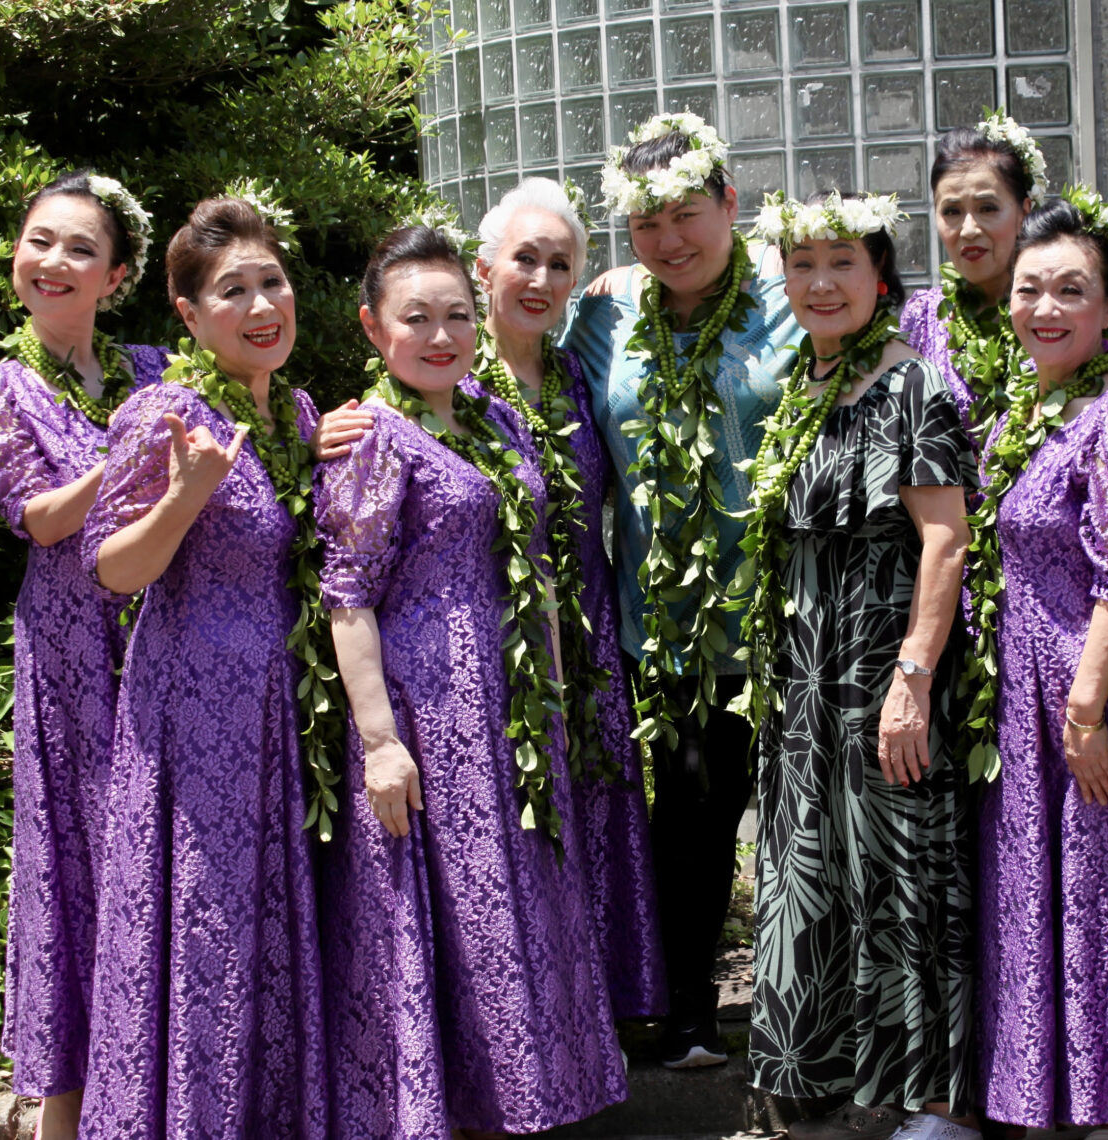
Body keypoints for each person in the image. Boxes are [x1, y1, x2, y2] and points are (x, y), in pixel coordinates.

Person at [313, 220, 627, 1138]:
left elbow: (538, 557)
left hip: (514, 711)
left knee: (511, 907)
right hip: (427, 708)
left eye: (456, 314)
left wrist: (557, 703)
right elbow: (348, 599)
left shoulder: (491, 412)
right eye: (417, 318)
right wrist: (379, 743)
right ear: (375, 328)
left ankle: (517, 1108)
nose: (441, 334)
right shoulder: (371, 437)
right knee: (448, 918)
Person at [79, 194, 352, 1139]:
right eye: (231, 290)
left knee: (272, 933)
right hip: (196, 721)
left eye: (271, 281)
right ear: (189, 316)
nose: (261, 303)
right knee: (207, 936)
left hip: (287, 717)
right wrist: (188, 494)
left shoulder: (296, 409)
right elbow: (112, 570)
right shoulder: (164, 410)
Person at [737, 192, 977, 1140]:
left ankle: (932, 1101)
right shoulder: (804, 384)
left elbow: (946, 541)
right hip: (807, 680)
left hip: (883, 675)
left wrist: (912, 678)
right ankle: (818, 1083)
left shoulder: (912, 385)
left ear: (881, 276)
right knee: (815, 872)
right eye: (802, 265)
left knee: (902, 876)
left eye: (843, 262)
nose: (821, 283)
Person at [563, 111, 801, 1068]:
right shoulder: (603, 317)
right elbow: (516, 371)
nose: (669, 239)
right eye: (646, 224)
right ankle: (689, 1011)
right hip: (663, 624)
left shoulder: (797, 296)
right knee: (689, 816)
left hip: (789, 615)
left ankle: (816, 1020)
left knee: (803, 819)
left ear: (730, 205)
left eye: (686, 214)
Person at [966, 191, 1108, 1138]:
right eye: (1030, 289)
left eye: (1071, 291)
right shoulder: (1023, 409)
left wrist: (1087, 709)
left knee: (1101, 888)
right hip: (1019, 692)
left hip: (1082, 691)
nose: (1045, 308)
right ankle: (1044, 1091)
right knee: (1036, 885)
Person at [0, 170, 164, 1140]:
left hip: (164, 642)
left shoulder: (156, 369)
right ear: (16, 255)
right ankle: (63, 1114)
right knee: (80, 866)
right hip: (73, 655)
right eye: (40, 240)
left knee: (155, 861)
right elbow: (38, 519)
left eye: (80, 248)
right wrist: (130, 459)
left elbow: (242, 423)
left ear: (116, 275)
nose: (54, 261)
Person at [470, 178, 665, 1020]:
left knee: (595, 811)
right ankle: (530, 1023)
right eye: (524, 259)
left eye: (559, 264)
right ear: (484, 270)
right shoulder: (447, 376)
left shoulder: (578, 375)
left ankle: (600, 1015)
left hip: (585, 644)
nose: (540, 279)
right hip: (498, 650)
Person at [899, 110, 1046, 438]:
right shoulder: (924, 317)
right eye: (951, 211)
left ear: (1025, 211)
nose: (968, 230)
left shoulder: (1057, 311)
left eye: (987, 208)